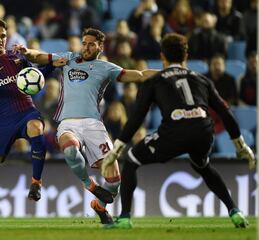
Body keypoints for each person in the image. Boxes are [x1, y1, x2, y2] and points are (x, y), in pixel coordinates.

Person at [102, 33, 256, 229]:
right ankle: (235, 212)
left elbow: (138, 116)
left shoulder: (155, 81)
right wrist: (240, 145)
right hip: (203, 131)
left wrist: (117, 148)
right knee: (202, 165)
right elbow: (226, 112)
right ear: (186, 56)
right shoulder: (202, 79)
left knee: (132, 159)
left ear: (162, 56)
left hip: (175, 131)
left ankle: (124, 218)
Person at [13, 27, 157, 225]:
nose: (86, 47)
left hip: (94, 126)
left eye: (91, 44)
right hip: (68, 123)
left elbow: (139, 75)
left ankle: (99, 206)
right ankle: (89, 185)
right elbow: (40, 57)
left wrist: (168, 72)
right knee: (70, 150)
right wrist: (27, 52)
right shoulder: (68, 58)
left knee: (114, 181)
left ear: (100, 47)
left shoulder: (105, 68)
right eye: (84, 43)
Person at [0, 18, 56, 225]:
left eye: (3, 36)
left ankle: (36, 183)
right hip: (3, 121)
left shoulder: (17, 58)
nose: (0, 39)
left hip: (26, 111)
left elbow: (36, 77)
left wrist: (52, 66)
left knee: (36, 127)